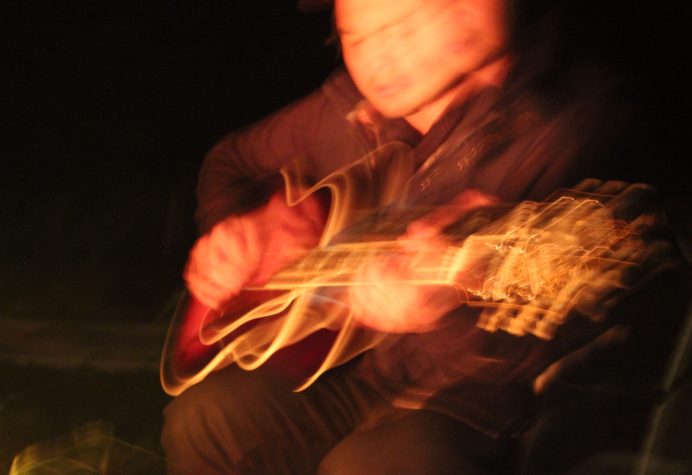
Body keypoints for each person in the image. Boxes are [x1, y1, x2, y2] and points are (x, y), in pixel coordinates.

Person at [161, 0, 646, 473]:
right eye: (355, 36)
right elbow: (232, 162)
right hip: (370, 371)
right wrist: (238, 226)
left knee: (375, 464)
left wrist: (445, 305)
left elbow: (570, 311)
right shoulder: (348, 109)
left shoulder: (565, 120)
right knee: (209, 420)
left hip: (489, 398)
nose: (377, 59)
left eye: (402, 27)